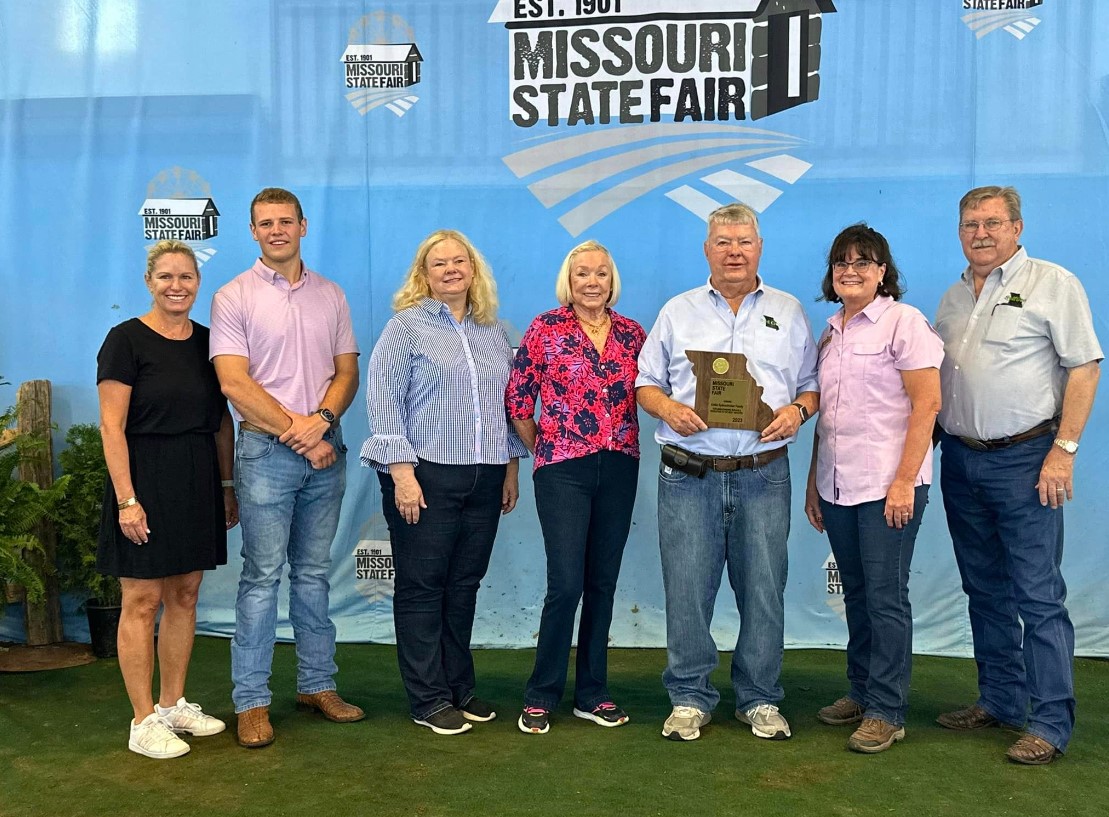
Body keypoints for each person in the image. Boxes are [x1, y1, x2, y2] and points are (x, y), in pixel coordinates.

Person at [636, 202, 819, 742]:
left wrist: (797, 412)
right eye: (723, 242)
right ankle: (689, 697)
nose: (734, 251)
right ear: (707, 249)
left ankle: (760, 698)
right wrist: (668, 409)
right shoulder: (678, 311)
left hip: (763, 474)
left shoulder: (788, 312)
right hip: (687, 473)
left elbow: (811, 385)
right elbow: (645, 383)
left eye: (743, 241)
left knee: (764, 588)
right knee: (688, 589)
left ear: (759, 247)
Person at [933, 185, 1101, 765]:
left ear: (1018, 227)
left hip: (1029, 460)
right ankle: (1001, 700)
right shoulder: (952, 298)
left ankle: (1050, 722)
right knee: (984, 590)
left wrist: (1065, 451)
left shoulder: (1055, 283)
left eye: (992, 223)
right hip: (959, 457)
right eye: (970, 224)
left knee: (1037, 594)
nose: (980, 233)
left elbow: (1084, 367)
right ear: (959, 232)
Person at [210, 187, 362, 749]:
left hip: (325, 446)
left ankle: (317, 685)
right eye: (265, 223)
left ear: (303, 225)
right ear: (253, 231)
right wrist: (302, 434)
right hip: (266, 452)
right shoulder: (233, 296)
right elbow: (233, 383)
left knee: (315, 574)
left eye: (285, 221)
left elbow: (346, 372)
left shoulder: (332, 295)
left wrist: (319, 422)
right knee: (261, 578)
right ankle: (251, 702)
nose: (276, 230)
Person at [363, 229, 527, 736]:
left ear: (473, 271)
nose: (451, 269)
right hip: (425, 475)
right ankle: (428, 697)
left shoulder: (494, 332)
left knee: (463, 586)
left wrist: (511, 466)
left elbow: (509, 407)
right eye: (440, 264)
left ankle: (459, 687)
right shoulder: (405, 329)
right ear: (424, 275)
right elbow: (384, 401)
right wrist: (403, 475)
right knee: (421, 588)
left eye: (460, 261)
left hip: (486, 475)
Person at [803, 224, 943, 754]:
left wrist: (905, 481)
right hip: (838, 487)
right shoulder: (832, 330)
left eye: (864, 261)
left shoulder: (904, 324)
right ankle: (861, 692)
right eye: (841, 261)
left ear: (883, 271)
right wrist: (817, 484)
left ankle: (888, 710)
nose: (851, 270)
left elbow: (927, 405)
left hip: (889, 487)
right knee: (857, 594)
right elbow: (827, 418)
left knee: (886, 599)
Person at [97, 240, 236, 759]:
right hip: (143, 478)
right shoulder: (125, 340)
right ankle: (141, 720)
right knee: (141, 600)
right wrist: (127, 499)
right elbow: (111, 426)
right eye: (166, 277)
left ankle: (173, 703)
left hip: (197, 476)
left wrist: (226, 485)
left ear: (199, 284)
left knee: (184, 595)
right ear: (149, 282)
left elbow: (222, 421)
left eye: (187, 277)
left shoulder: (210, 343)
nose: (177, 286)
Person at [506, 240, 646, 735]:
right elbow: (520, 400)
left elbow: (651, 391)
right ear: (569, 280)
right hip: (563, 468)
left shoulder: (633, 334)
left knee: (602, 585)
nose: (592, 282)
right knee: (566, 584)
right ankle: (541, 693)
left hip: (619, 466)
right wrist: (547, 445)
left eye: (602, 274)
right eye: (583, 273)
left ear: (613, 281)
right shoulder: (545, 329)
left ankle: (592, 693)